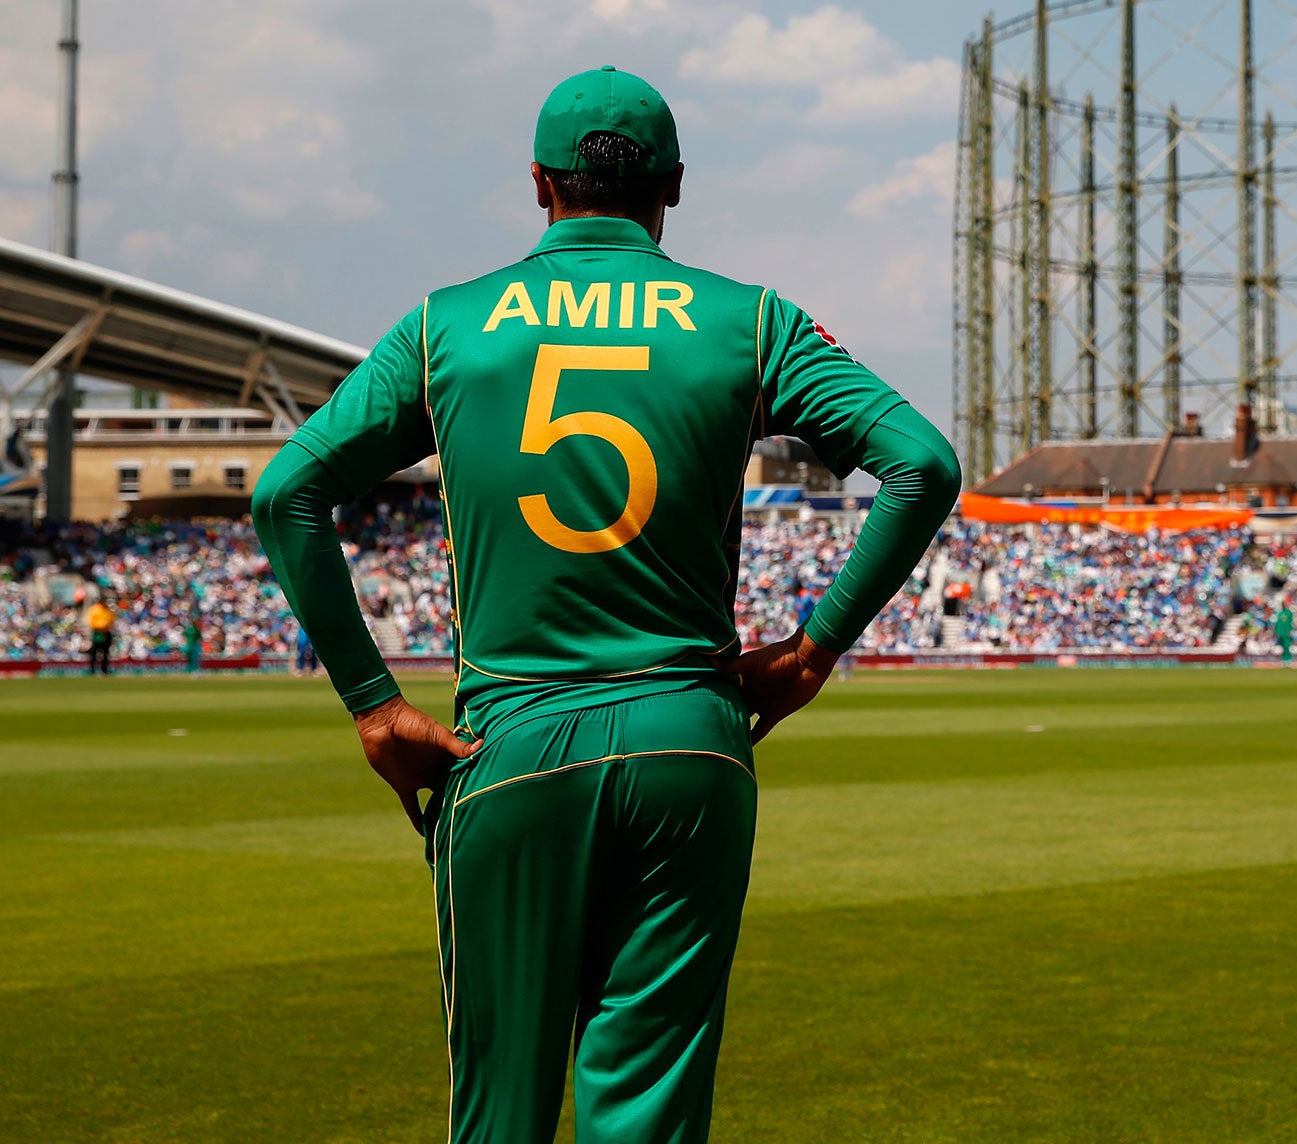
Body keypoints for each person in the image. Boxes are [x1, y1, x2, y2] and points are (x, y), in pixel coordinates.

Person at [253, 66, 960, 1144]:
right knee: (650, 1115)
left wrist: (370, 700)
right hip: (691, 741)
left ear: (538, 183)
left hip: (511, 746)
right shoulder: (751, 320)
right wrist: (812, 651)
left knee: (501, 1114)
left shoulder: (445, 327)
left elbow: (285, 492)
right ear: (673, 187)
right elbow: (918, 463)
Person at [85, 597, 115, 675]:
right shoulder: (95, 609)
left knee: (105, 653)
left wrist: (106, 625)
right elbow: (91, 621)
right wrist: (100, 626)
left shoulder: (107, 610)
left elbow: (111, 620)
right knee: (94, 652)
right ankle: (92, 670)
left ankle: (104, 670)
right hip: (97, 632)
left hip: (106, 632)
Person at [1273, 598, 1295, 664]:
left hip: (1287, 632)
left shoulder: (1289, 613)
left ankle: (1288, 659)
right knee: (1283, 646)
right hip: (1280, 632)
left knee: (1287, 646)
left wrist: (1290, 631)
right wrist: (1276, 631)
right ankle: (1284, 660)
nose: (1283, 605)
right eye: (1282, 604)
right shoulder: (1279, 613)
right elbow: (1277, 623)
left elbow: (1291, 622)